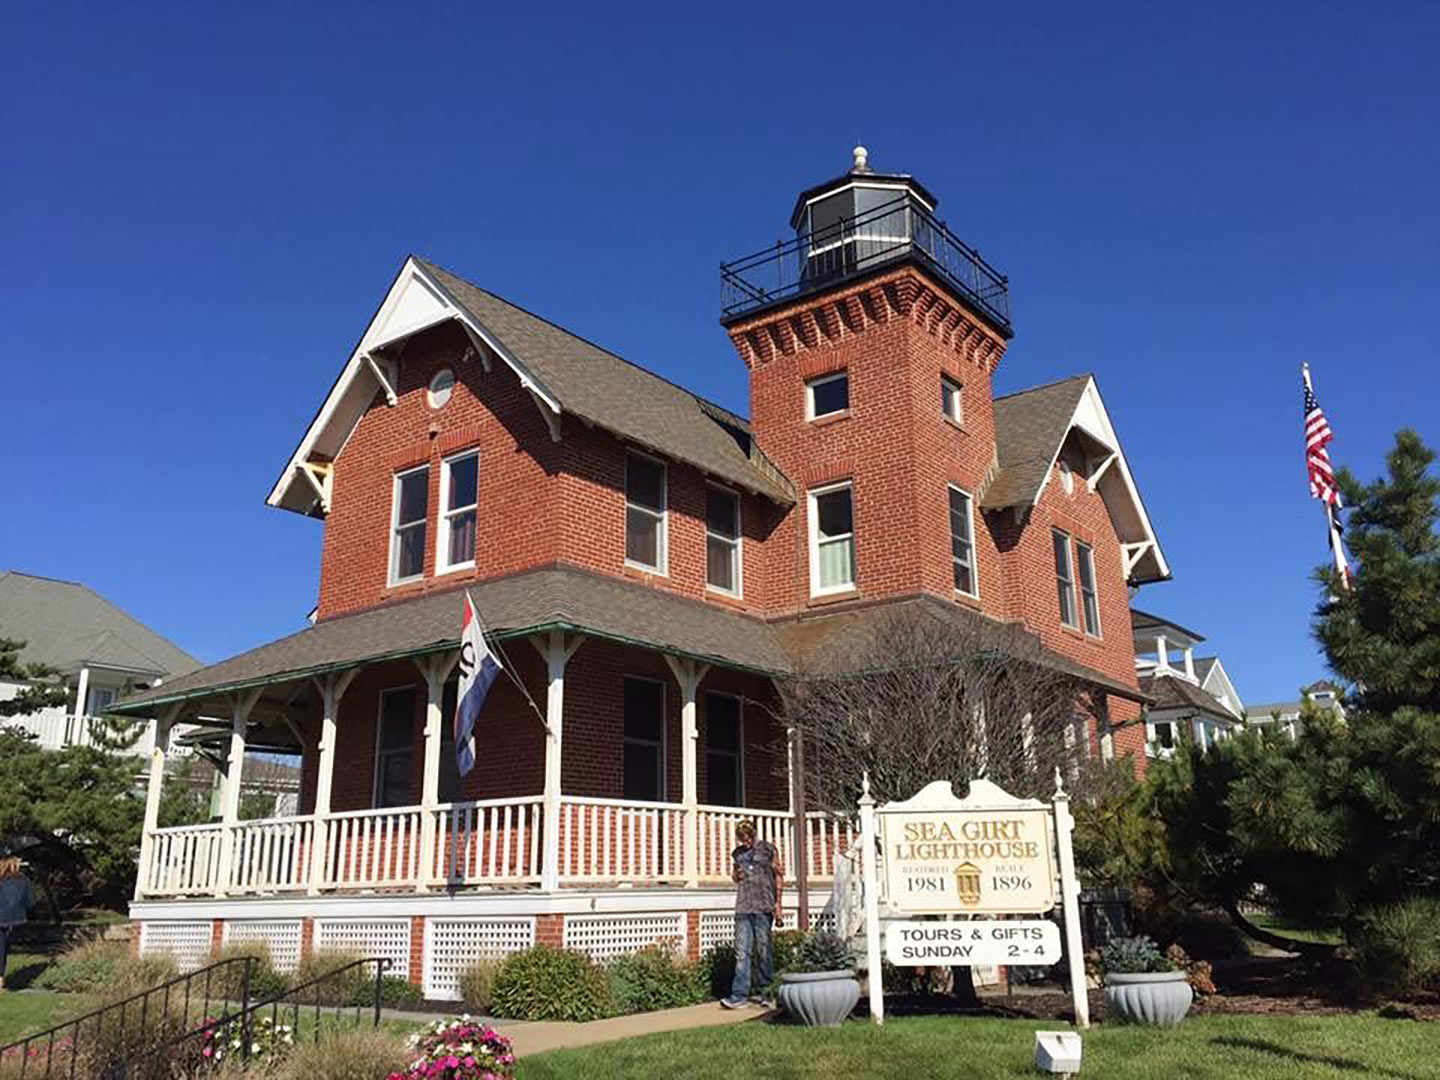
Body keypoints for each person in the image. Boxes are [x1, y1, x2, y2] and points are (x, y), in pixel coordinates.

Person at [720, 821, 783, 1008]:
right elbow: (735, 877)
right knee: (741, 953)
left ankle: (768, 993)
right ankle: (739, 996)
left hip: (764, 906)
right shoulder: (737, 854)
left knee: (763, 951)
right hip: (743, 907)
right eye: (741, 839)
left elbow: (779, 875)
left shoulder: (768, 850)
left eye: (747, 838)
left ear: (753, 834)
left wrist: (779, 904)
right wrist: (737, 875)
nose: (745, 842)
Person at [0, 858, 33, 991]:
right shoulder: (23, 881)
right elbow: (29, 902)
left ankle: (0, 978)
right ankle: (0, 977)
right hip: (13, 919)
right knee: (3, 947)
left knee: (1, 947)